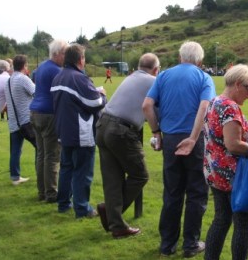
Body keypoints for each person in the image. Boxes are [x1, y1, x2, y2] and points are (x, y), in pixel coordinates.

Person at [143, 41, 216, 258]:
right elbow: (205, 106)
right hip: (195, 139)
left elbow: (147, 105)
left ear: (179, 57)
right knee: (197, 192)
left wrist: (156, 132)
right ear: (200, 61)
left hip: (170, 139)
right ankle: (190, 244)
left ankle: (167, 244)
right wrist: (193, 137)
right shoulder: (204, 78)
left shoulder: (164, 75)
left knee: (172, 192)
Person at [202, 64, 248, 260]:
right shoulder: (229, 108)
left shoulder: (214, 102)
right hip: (234, 177)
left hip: (215, 173)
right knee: (244, 223)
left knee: (221, 219)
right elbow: (233, 144)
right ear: (238, 84)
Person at [95, 53, 160, 238]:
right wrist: (158, 130)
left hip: (102, 125)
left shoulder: (131, 77)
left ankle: (117, 226)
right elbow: (156, 108)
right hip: (121, 130)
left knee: (112, 179)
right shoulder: (153, 81)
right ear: (156, 70)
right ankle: (111, 213)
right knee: (140, 175)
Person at [52, 44, 107, 218]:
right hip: (80, 132)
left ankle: (63, 203)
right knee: (82, 172)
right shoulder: (78, 78)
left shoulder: (59, 77)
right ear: (80, 59)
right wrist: (102, 95)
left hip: (63, 130)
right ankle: (82, 209)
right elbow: (94, 103)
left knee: (66, 168)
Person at [29, 40, 68, 203]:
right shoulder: (57, 71)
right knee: (52, 156)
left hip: (35, 112)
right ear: (57, 54)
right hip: (49, 114)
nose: (66, 57)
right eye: (65, 53)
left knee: (41, 154)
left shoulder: (42, 67)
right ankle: (51, 193)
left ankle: (42, 192)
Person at [4, 54, 35, 185]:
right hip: (26, 120)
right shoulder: (23, 79)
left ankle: (15, 177)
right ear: (24, 66)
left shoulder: (8, 81)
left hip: (13, 121)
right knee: (41, 148)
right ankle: (42, 175)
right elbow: (36, 93)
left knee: (15, 150)